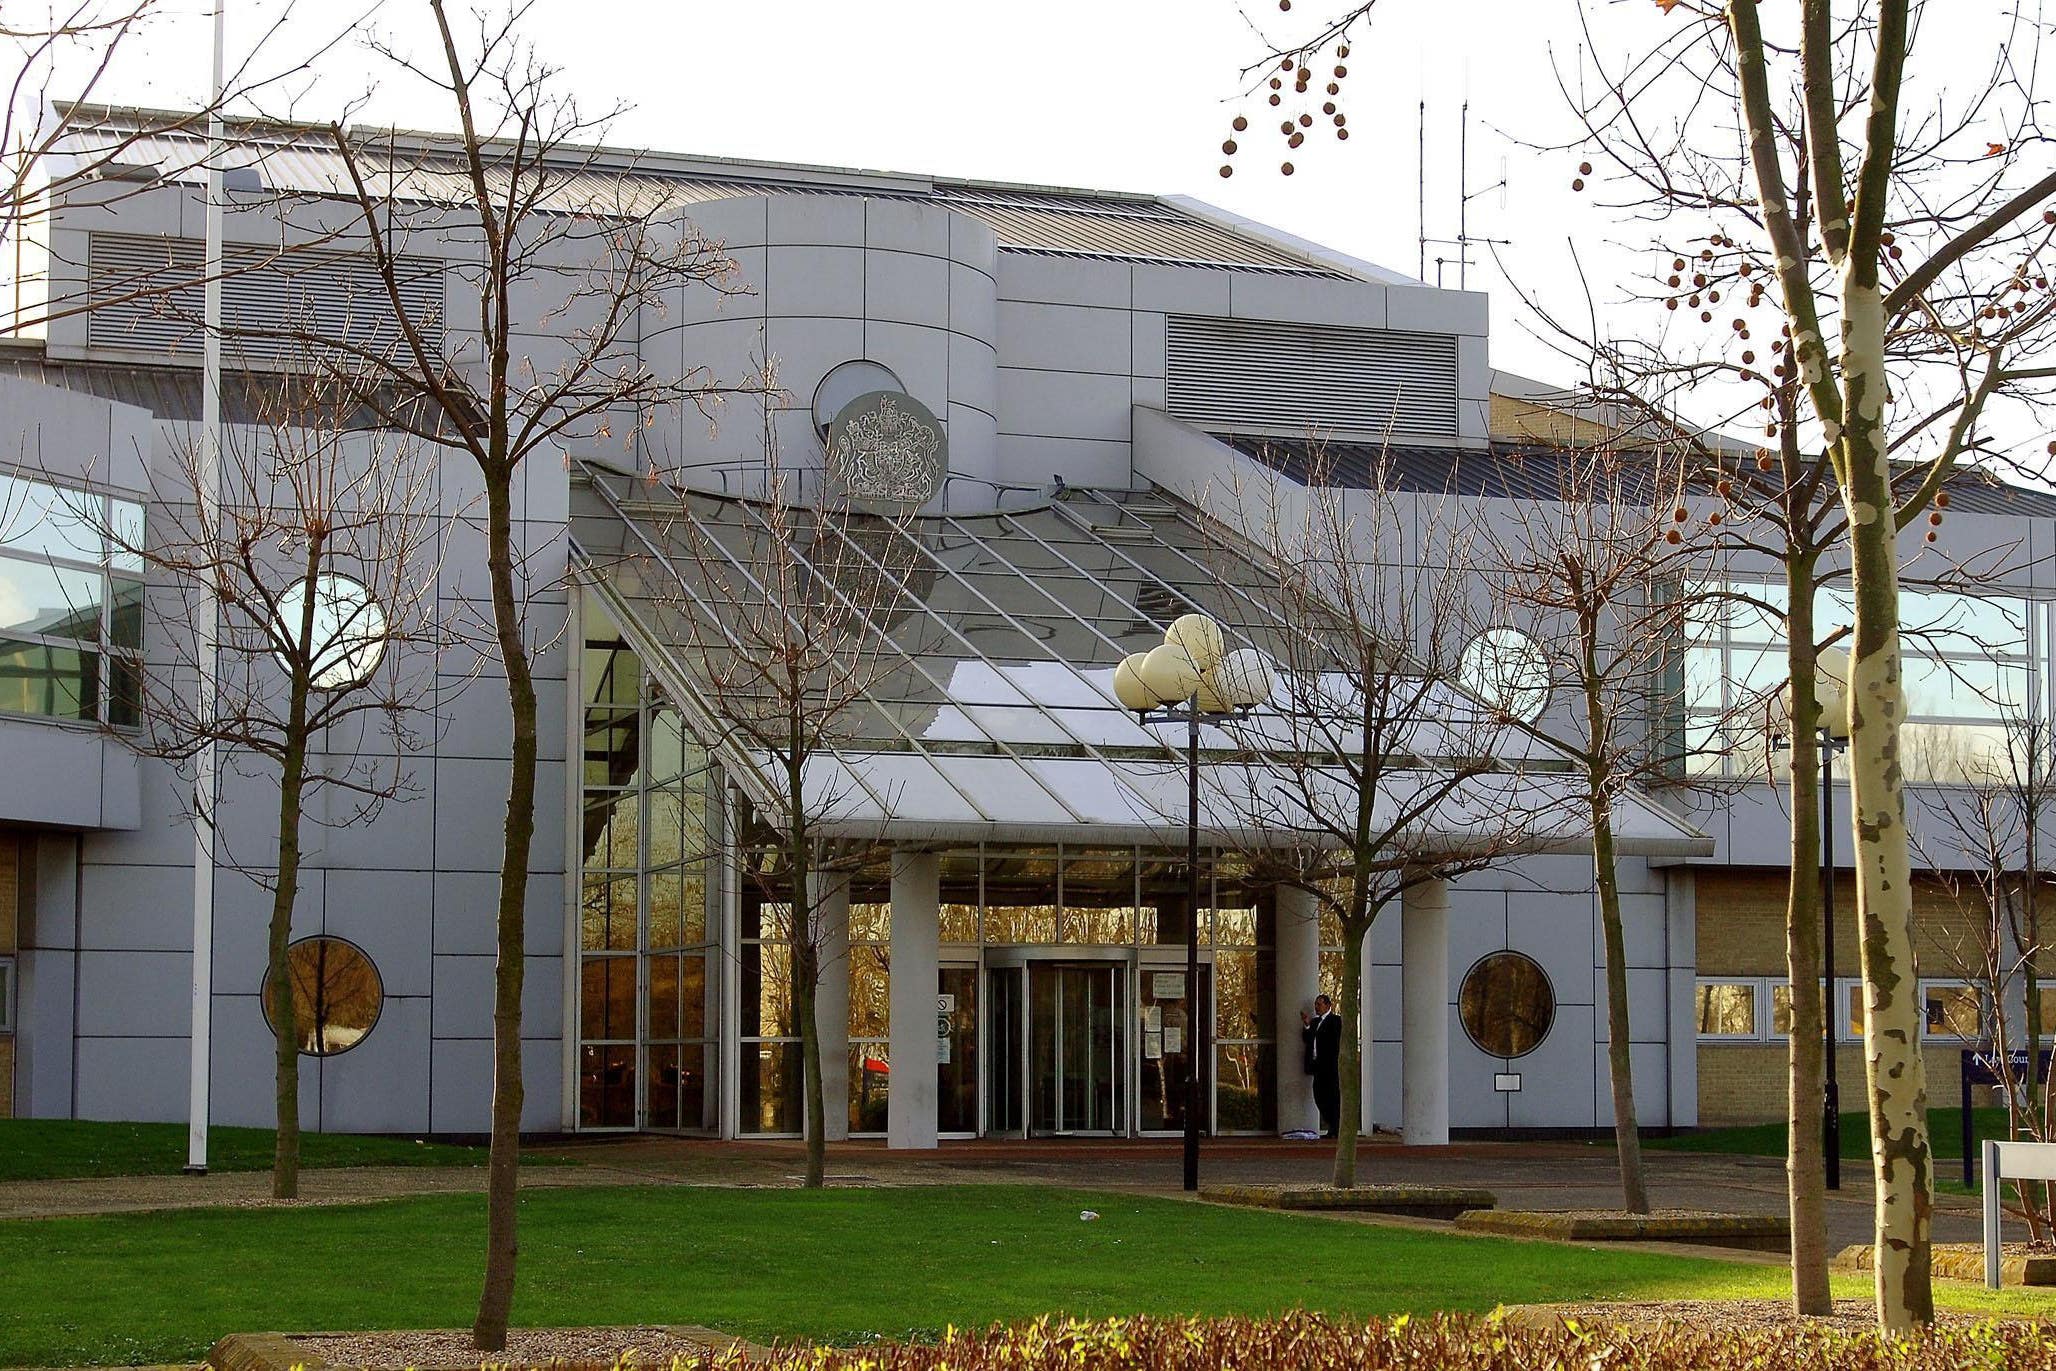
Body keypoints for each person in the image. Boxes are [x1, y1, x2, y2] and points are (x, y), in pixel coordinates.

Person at [1301, 993, 1343, 1139]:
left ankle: (1335, 1127)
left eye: (1319, 1004)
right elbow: (1307, 1039)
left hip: (1330, 1067)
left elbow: (1335, 1042)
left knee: (1331, 1096)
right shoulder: (1314, 1022)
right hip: (1317, 1065)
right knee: (1319, 1095)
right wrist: (1306, 1024)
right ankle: (1331, 1124)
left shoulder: (1335, 1021)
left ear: (1327, 1005)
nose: (1316, 1007)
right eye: (1315, 1004)